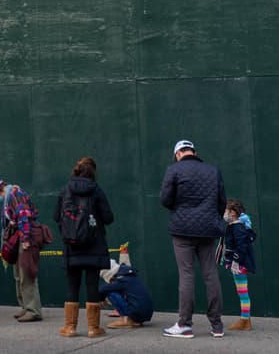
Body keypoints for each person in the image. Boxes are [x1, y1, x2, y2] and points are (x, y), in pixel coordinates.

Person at [159, 140, 226, 339]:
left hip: (182, 229)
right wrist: (211, 218)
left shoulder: (174, 170)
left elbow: (165, 199)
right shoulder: (213, 171)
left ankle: (185, 324)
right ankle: (217, 325)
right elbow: (222, 201)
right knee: (210, 274)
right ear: (194, 152)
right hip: (207, 229)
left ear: (178, 154)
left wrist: (179, 209)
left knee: (186, 274)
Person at [53, 157, 114, 338]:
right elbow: (109, 218)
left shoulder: (65, 189)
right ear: (93, 171)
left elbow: (56, 216)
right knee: (92, 285)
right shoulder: (96, 191)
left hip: (72, 246)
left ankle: (70, 327)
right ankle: (93, 328)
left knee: (72, 285)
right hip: (94, 245)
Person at [0, 176, 42, 322]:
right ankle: (24, 306)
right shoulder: (9, 196)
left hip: (25, 238)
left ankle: (33, 310)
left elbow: (24, 216)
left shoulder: (15, 194)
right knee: (18, 274)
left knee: (26, 274)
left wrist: (25, 240)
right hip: (17, 238)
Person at [220, 199, 257, 332]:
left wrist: (236, 261)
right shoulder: (233, 226)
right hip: (237, 263)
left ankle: (245, 321)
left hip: (240, 264)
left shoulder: (238, 228)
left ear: (233, 212)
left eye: (226, 211)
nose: (224, 214)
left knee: (243, 293)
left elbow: (241, 247)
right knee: (242, 292)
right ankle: (245, 320)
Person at [100, 259, 154, 329]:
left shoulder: (122, 280)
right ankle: (135, 321)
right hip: (145, 313)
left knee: (110, 292)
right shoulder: (129, 276)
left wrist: (101, 298)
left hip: (137, 312)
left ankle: (125, 320)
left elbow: (102, 289)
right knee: (116, 291)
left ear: (110, 275)